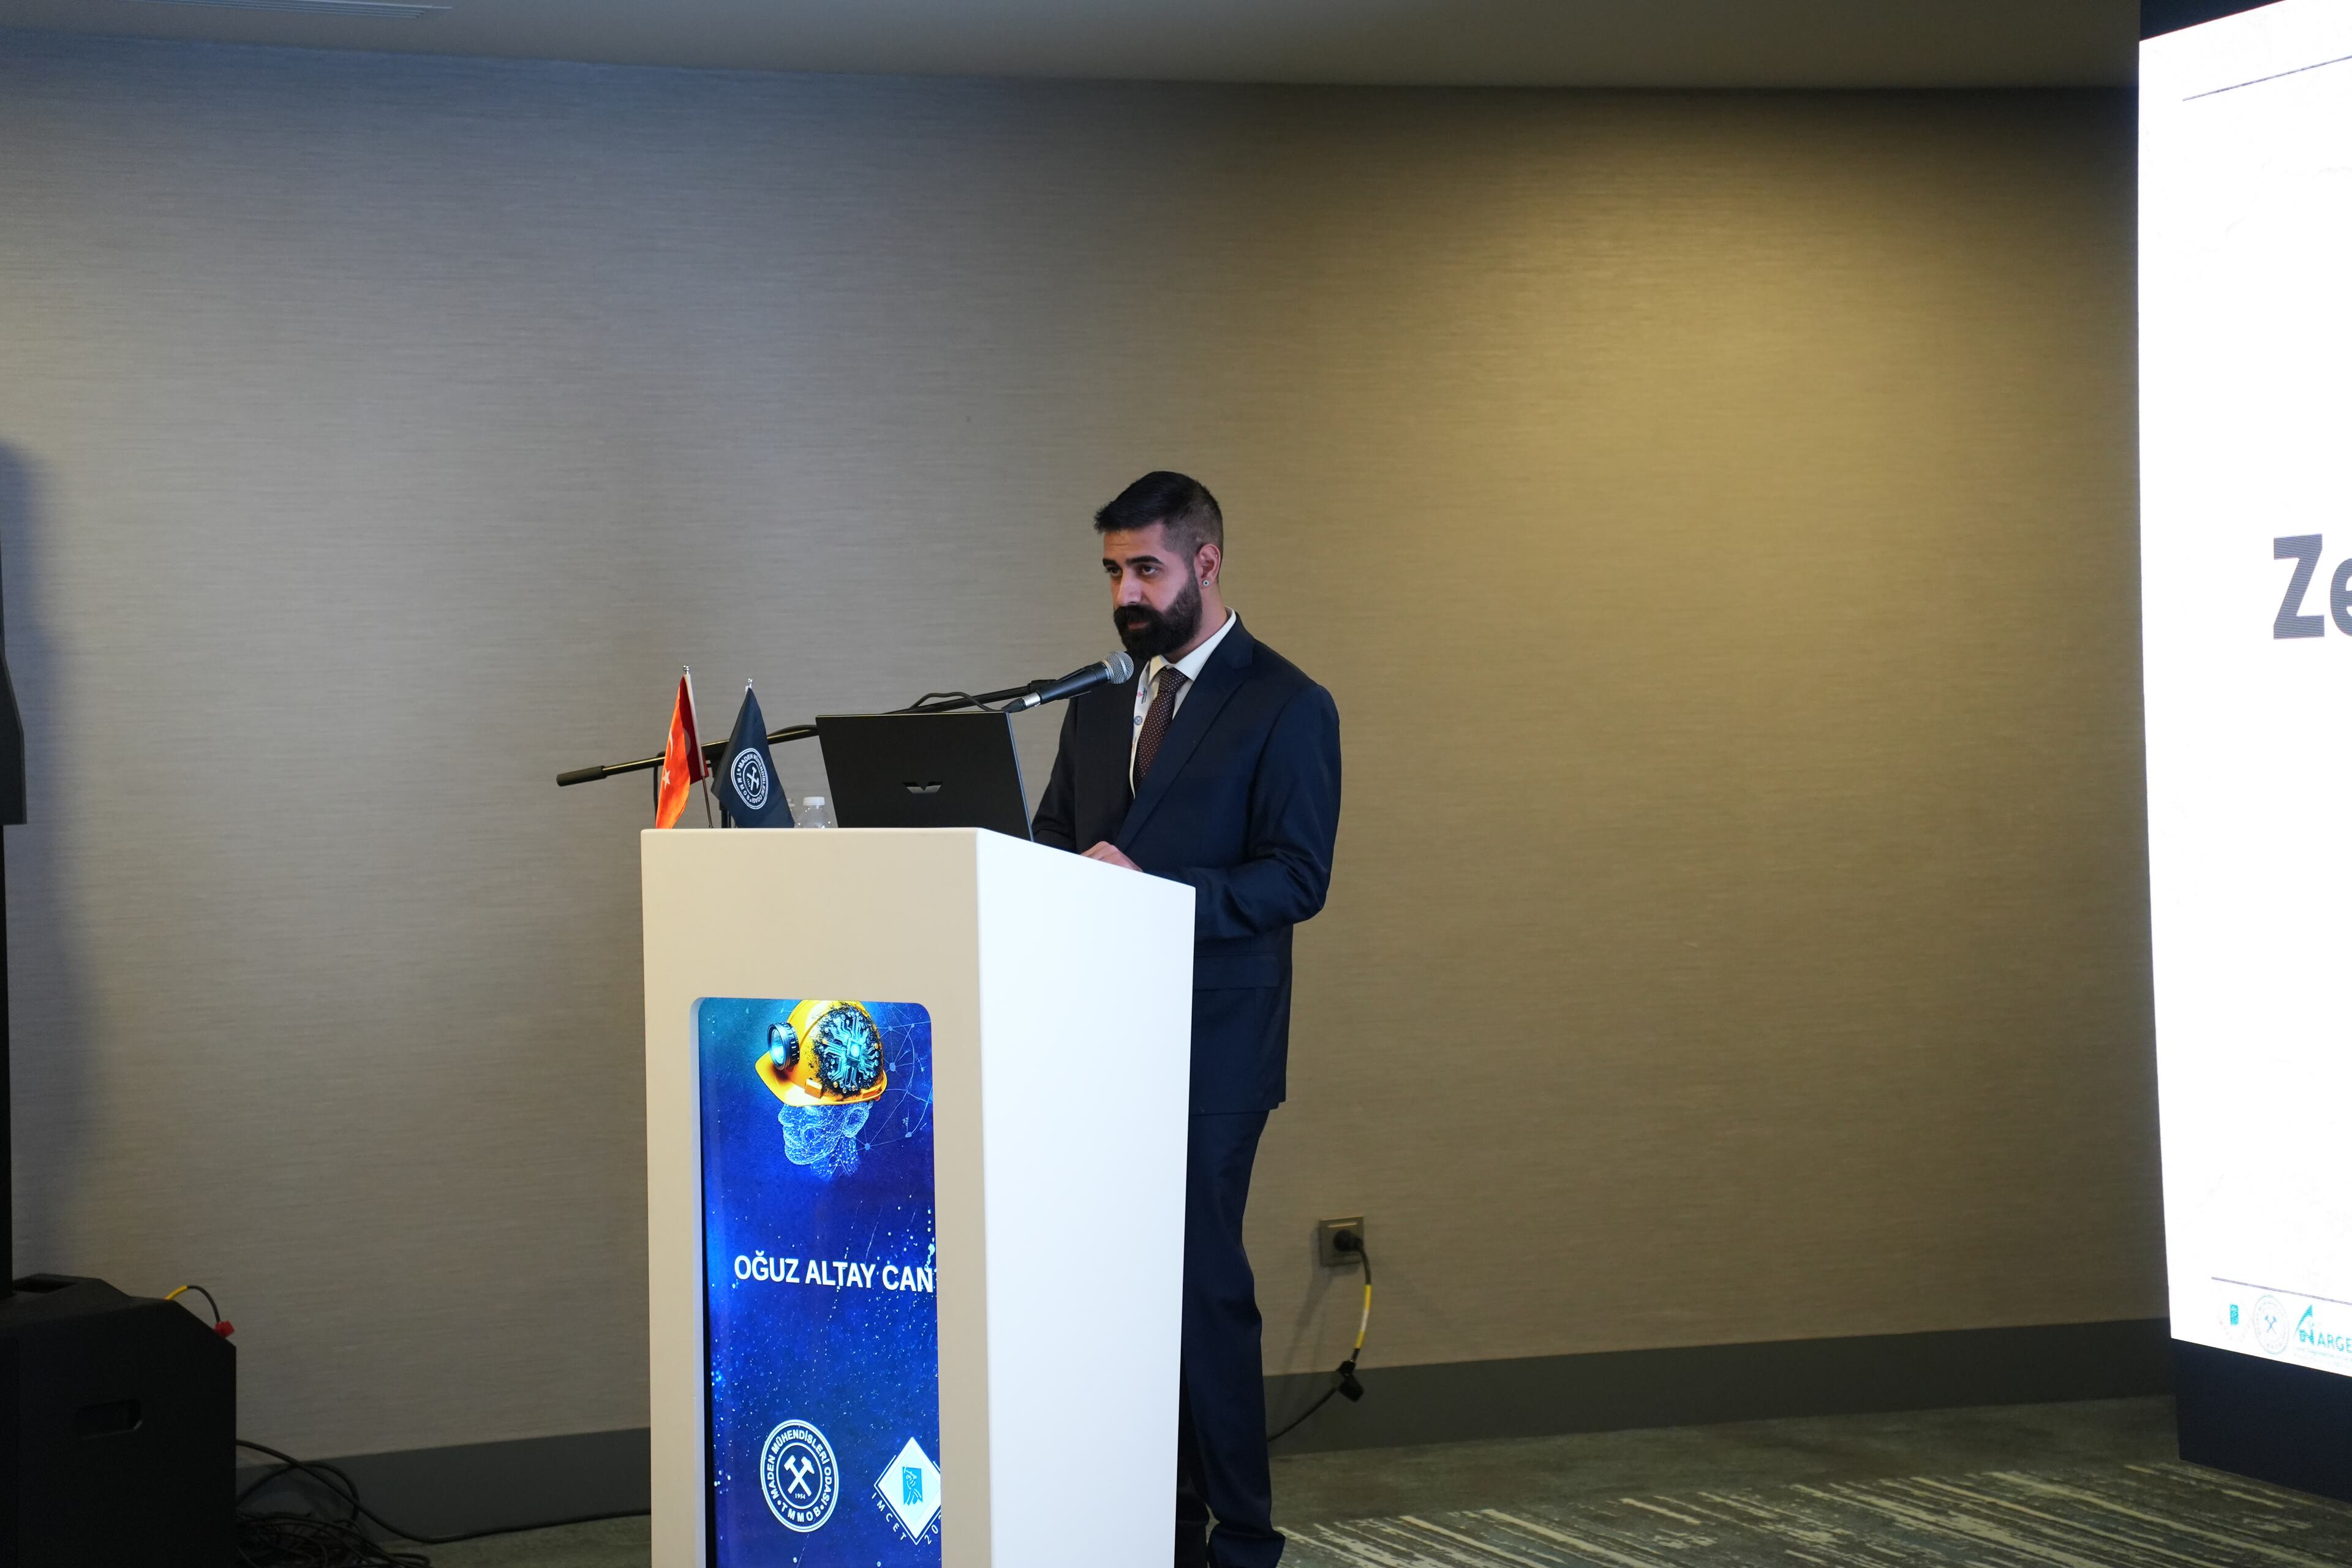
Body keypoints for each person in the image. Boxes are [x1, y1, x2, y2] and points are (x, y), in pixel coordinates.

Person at [1033, 471, 1342, 1568]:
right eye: (1113, 570)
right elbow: (1055, 840)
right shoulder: (1095, 701)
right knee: (1117, 1286)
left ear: (1206, 564)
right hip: (1093, 1039)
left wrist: (1151, 894)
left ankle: (1245, 1536)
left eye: (1146, 569)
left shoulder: (1288, 703)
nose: (1126, 591)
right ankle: (1151, 1519)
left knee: (1201, 1281)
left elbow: (1297, 878)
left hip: (1215, 1041)